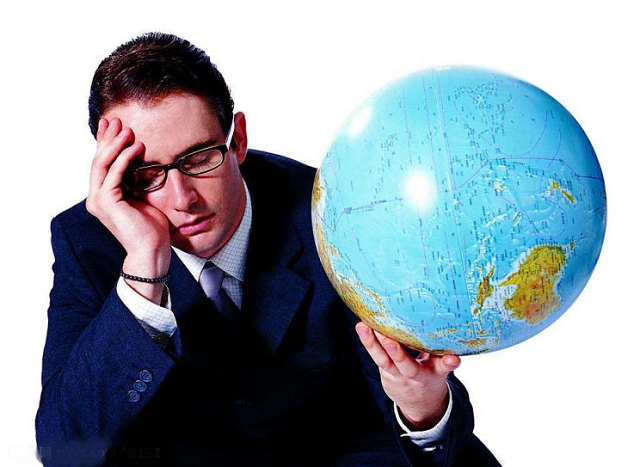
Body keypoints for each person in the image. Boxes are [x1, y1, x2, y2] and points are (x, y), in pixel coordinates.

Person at [35, 32, 499, 466]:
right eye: (146, 174)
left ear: (237, 140)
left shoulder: (336, 214)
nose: (182, 199)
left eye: (199, 158)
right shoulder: (86, 241)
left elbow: (416, 412)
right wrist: (143, 270)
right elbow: (63, 450)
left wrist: (422, 408)